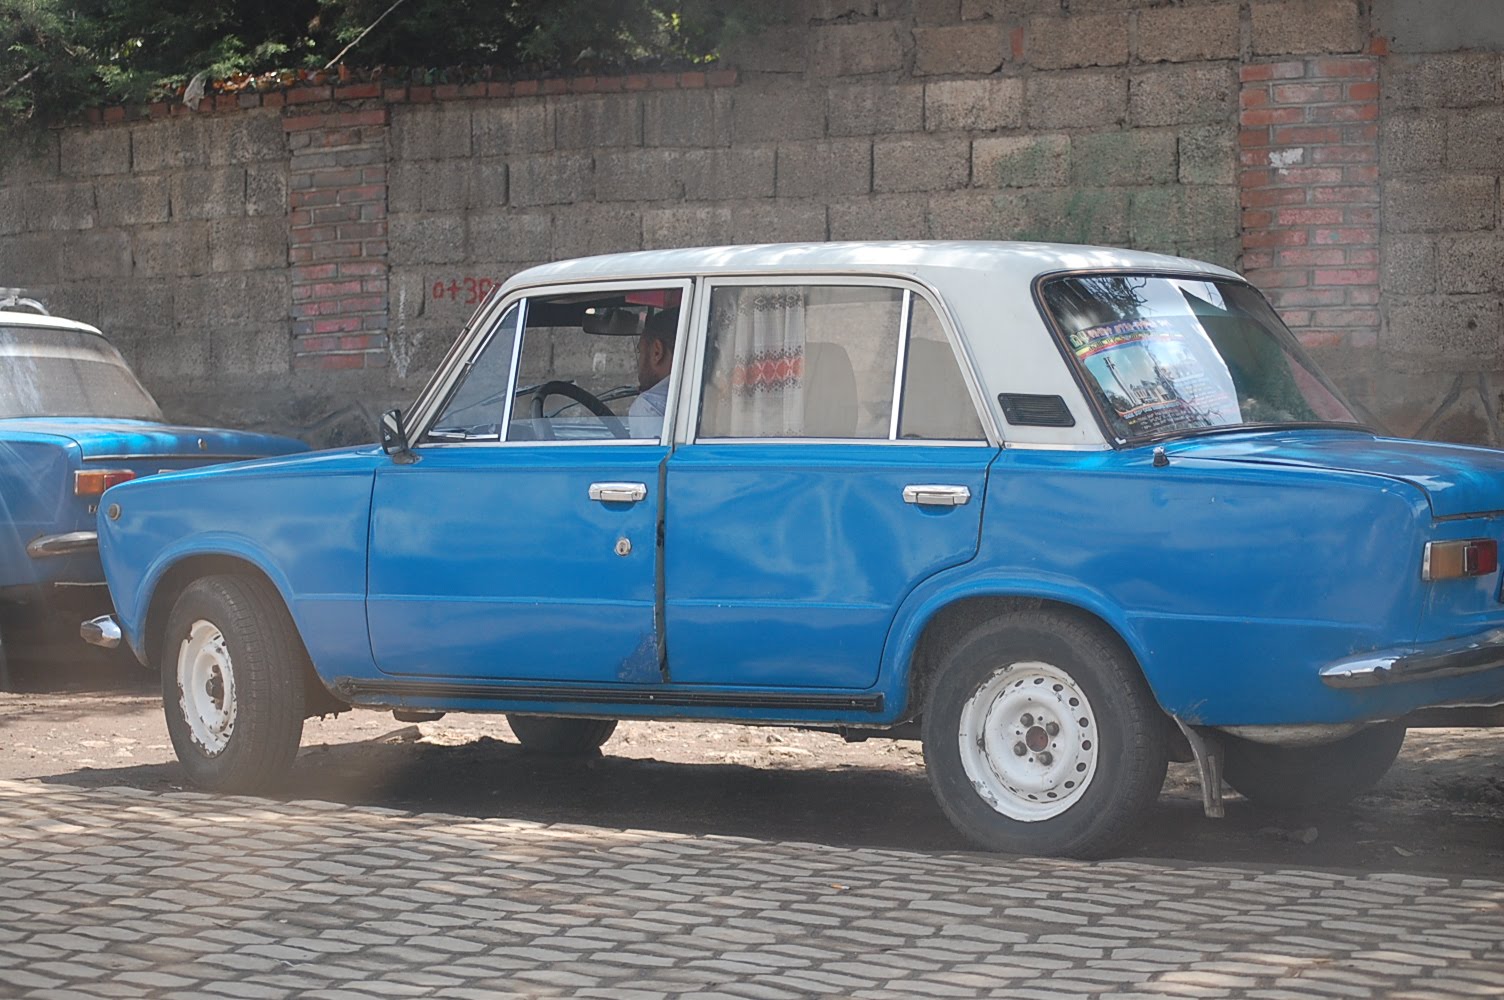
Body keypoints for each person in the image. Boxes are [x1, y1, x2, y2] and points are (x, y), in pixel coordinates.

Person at [628, 308, 678, 438]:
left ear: (657, 352)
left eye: (641, 352)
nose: (638, 364)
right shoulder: (708, 395)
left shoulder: (649, 406)